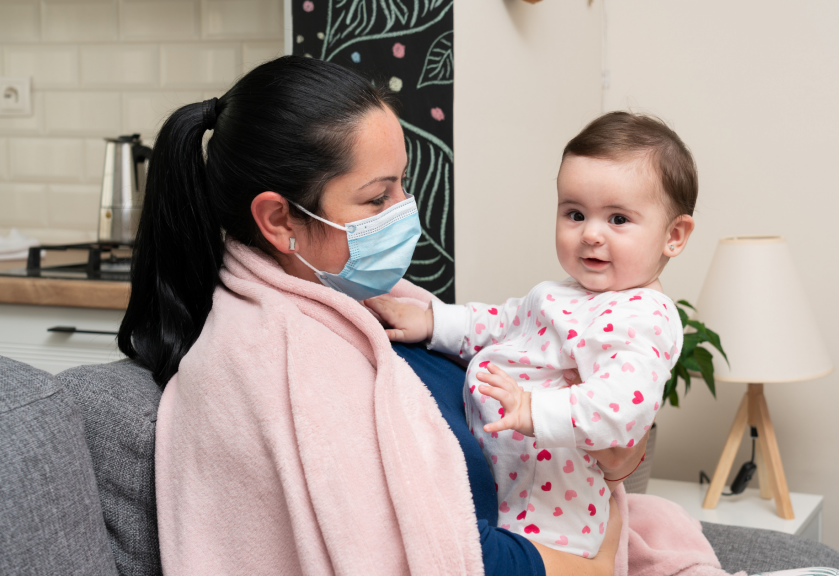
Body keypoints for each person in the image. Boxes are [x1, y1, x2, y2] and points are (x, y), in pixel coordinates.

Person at [116, 55, 642, 576]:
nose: (404, 208)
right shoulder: (280, 364)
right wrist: (588, 568)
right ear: (279, 220)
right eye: (376, 197)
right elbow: (435, 551)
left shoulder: (361, 294)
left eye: (402, 184)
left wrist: (615, 451)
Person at [366, 112, 694, 558]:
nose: (591, 234)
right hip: (509, 488)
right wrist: (434, 322)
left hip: (555, 511)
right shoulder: (563, 294)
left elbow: (622, 410)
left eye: (618, 219)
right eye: (575, 214)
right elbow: (499, 323)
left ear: (674, 235)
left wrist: (533, 408)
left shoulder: (643, 316)